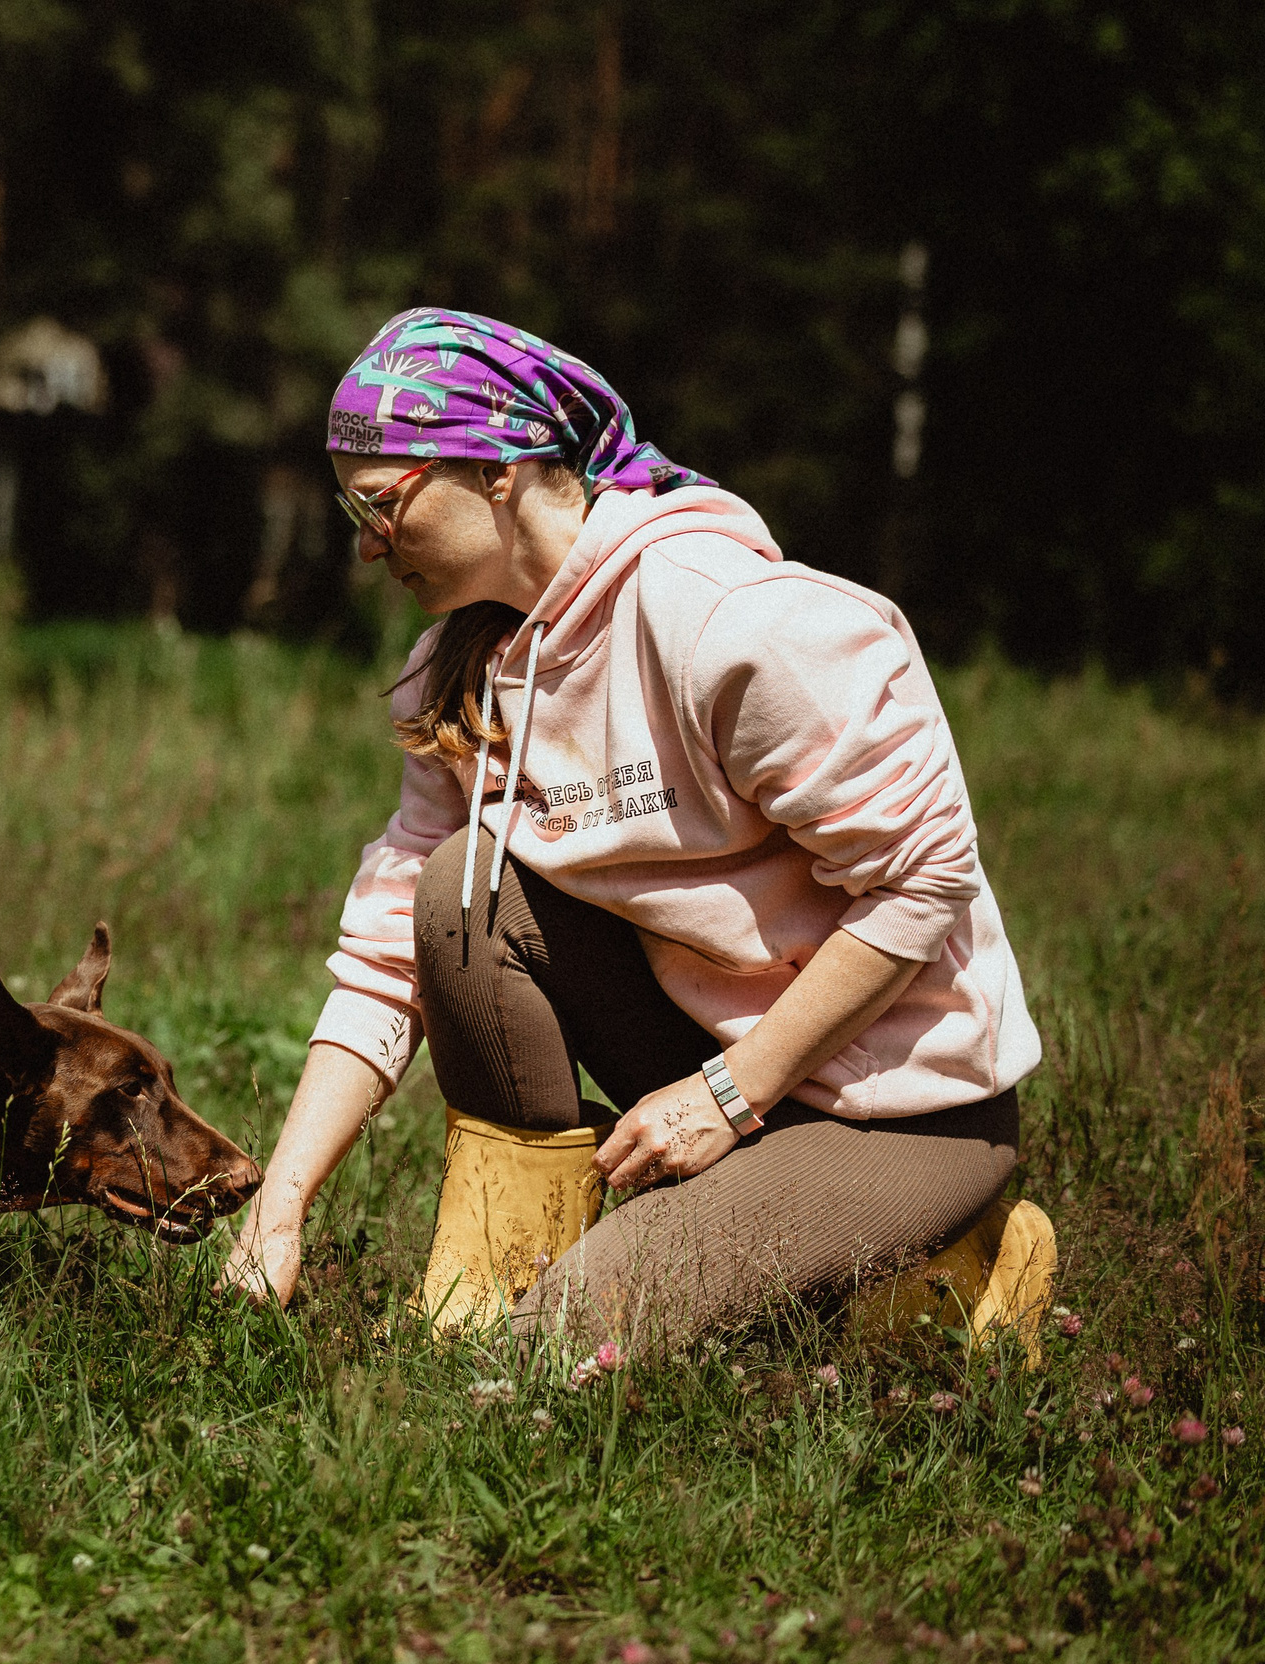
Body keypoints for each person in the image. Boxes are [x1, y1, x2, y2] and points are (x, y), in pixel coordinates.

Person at [220, 309, 1048, 1357]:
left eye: (379, 503)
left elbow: (924, 884)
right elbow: (391, 952)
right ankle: (494, 1288)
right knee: (457, 889)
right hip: (710, 1049)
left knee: (569, 1344)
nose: (363, 540)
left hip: (894, 1103)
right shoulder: (459, 669)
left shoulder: (731, 627)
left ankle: (961, 1270)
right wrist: (281, 1202)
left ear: (497, 473)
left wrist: (726, 1095)